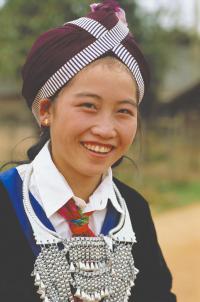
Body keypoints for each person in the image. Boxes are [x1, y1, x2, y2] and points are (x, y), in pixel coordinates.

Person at [0, 1, 176, 302]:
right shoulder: (6, 203)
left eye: (123, 111)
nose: (106, 130)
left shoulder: (134, 210)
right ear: (46, 110)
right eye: (88, 106)